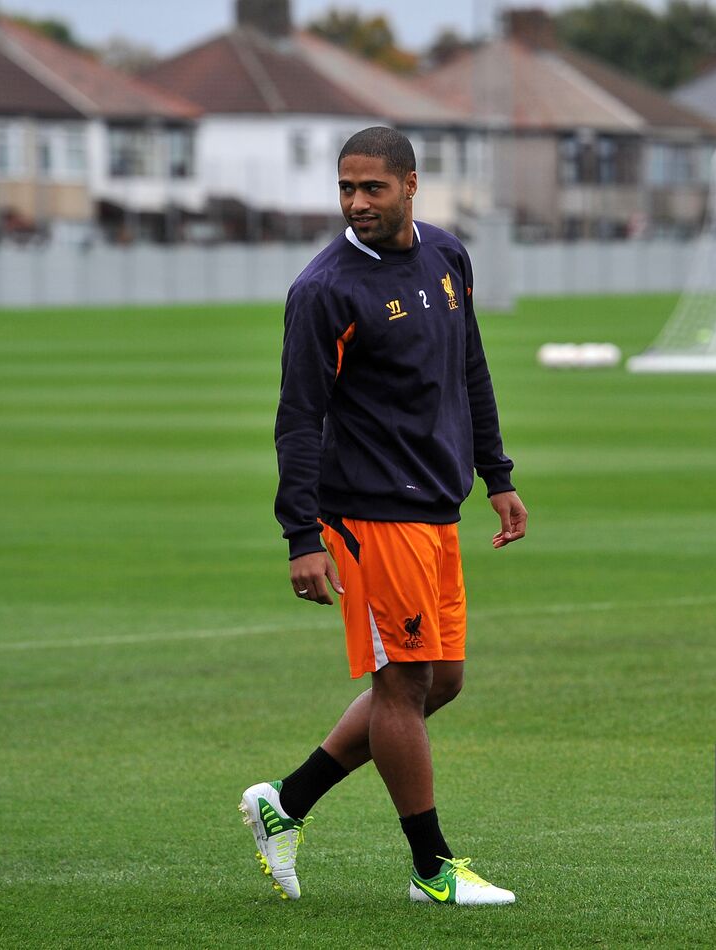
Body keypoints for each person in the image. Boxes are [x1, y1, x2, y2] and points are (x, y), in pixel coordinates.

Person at [240, 126, 526, 907]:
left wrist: (495, 474)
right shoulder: (323, 289)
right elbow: (299, 418)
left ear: (410, 185)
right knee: (402, 684)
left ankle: (285, 802)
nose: (356, 202)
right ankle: (432, 870)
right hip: (368, 512)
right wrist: (302, 536)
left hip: (437, 506)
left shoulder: (446, 256)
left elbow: (470, 366)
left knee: (442, 682)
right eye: (345, 188)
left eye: (371, 187)